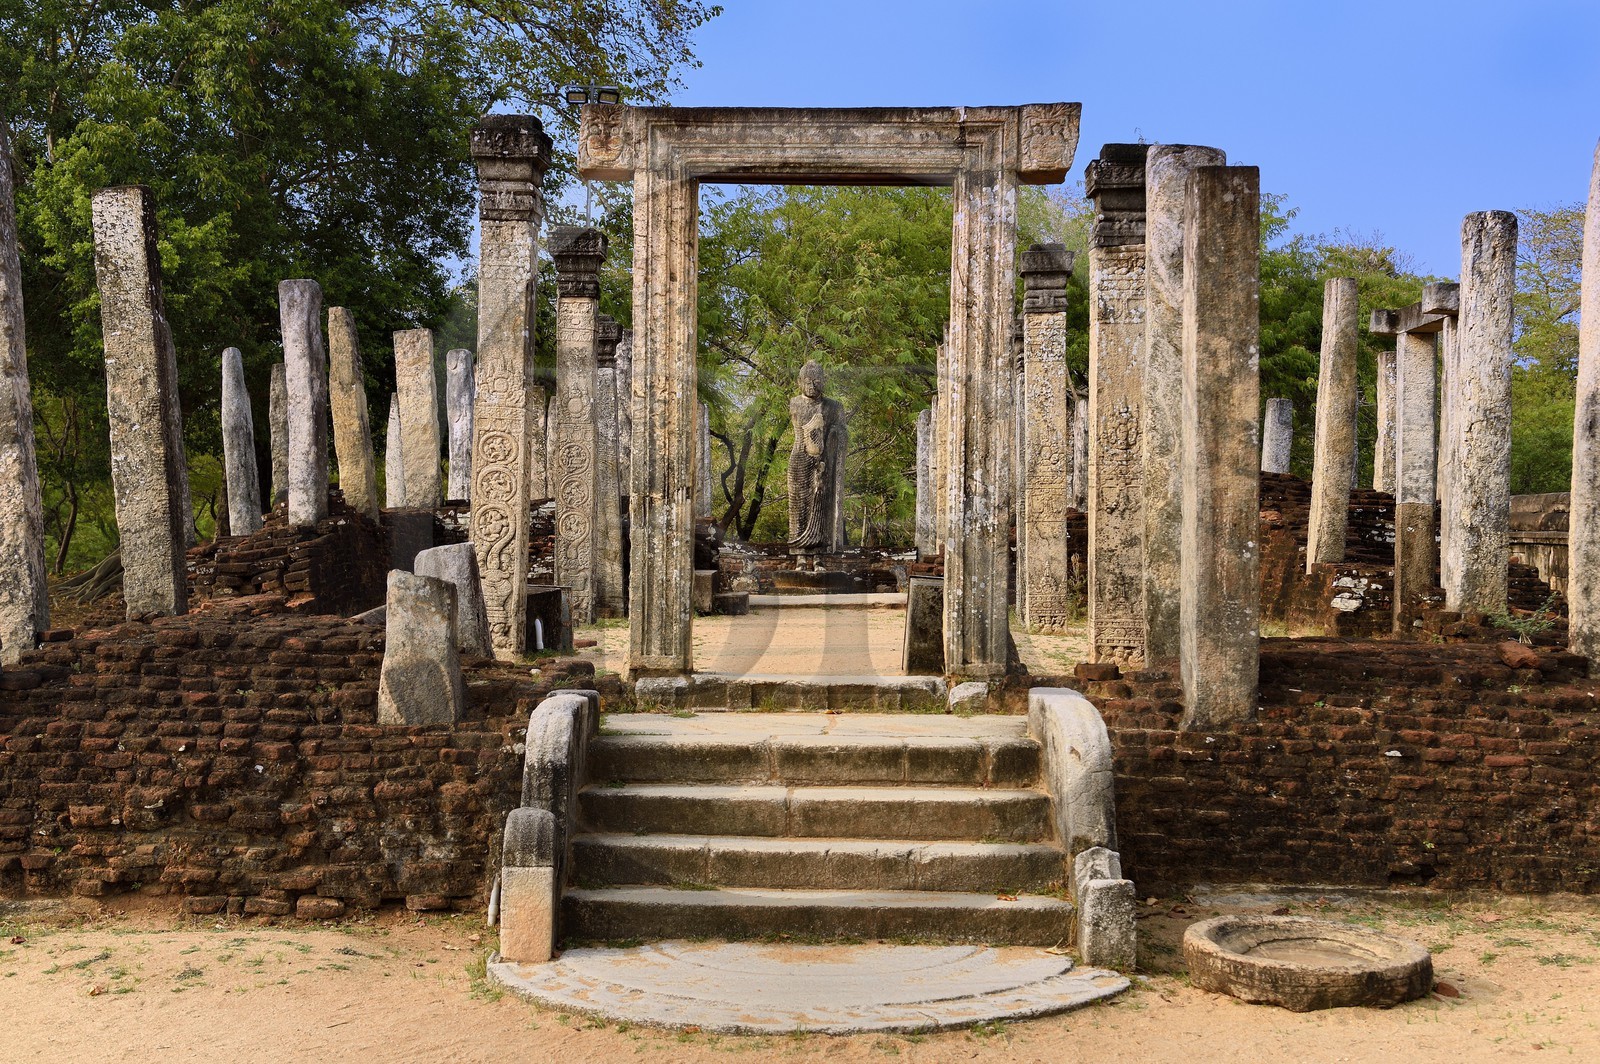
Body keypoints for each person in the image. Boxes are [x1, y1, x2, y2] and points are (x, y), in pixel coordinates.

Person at [786, 360, 847, 569]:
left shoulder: (834, 406)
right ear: (799, 382)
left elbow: (841, 431)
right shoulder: (795, 403)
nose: (813, 385)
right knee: (798, 508)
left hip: (823, 461)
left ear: (824, 382)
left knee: (821, 506)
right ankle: (800, 557)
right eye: (808, 381)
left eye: (817, 381)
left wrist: (834, 434)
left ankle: (819, 557)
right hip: (799, 459)